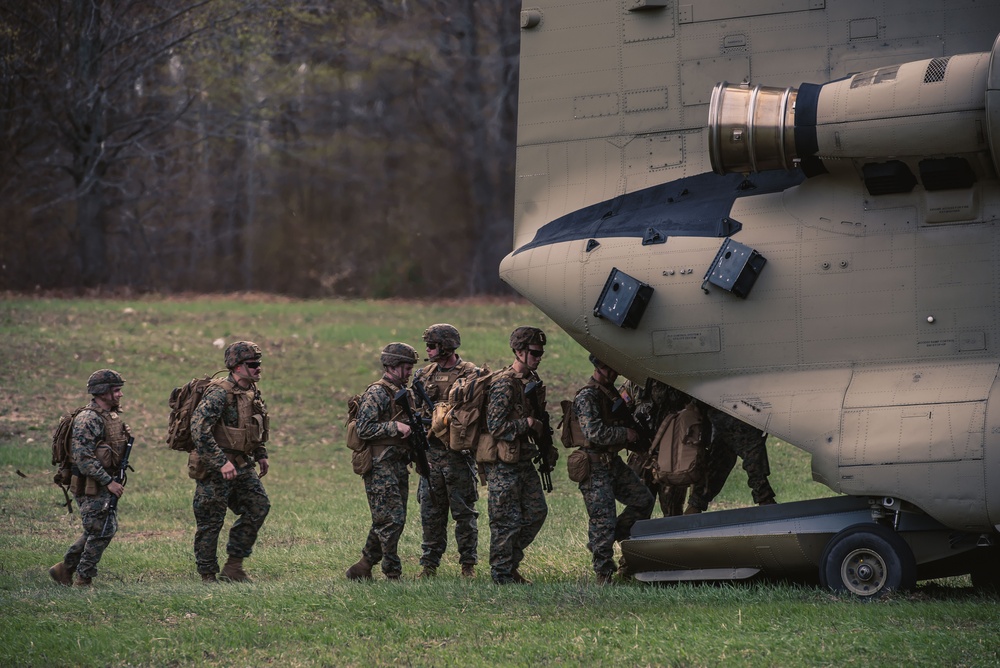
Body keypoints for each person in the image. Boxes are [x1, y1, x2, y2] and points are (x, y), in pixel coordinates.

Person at [191, 341, 272, 583]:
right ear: (237, 367)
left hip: (242, 465)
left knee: (259, 506)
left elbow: (252, 427)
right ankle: (207, 575)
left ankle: (233, 566)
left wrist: (261, 454)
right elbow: (199, 429)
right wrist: (220, 462)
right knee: (210, 521)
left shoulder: (251, 392)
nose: (258, 368)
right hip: (215, 468)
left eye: (259, 363)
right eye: (252, 364)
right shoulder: (219, 393)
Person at [572, 355, 654, 583]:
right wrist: (624, 435)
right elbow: (593, 432)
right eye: (609, 368)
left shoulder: (609, 393)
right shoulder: (588, 395)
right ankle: (603, 573)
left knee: (643, 500)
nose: (614, 373)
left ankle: (606, 539)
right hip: (594, 465)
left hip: (612, 463)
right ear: (599, 367)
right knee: (602, 518)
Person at [484, 326, 554, 585]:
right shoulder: (504, 384)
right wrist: (528, 424)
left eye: (540, 353)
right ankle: (501, 574)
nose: (538, 357)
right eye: (534, 352)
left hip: (523, 460)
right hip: (503, 463)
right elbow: (496, 427)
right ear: (519, 352)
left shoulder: (530, 382)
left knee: (537, 512)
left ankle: (509, 563)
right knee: (506, 521)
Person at [49, 369, 131, 587]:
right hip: (91, 485)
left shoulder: (108, 416)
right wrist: (109, 482)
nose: (120, 394)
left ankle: (64, 569)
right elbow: (83, 459)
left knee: (100, 528)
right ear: (102, 392)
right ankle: (83, 579)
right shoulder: (88, 419)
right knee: (101, 530)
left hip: (102, 482)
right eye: (116, 390)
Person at [346, 342, 419, 581]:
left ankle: (363, 566)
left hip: (398, 464)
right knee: (391, 519)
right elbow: (364, 429)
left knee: (389, 519)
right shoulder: (377, 392)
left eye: (410, 368)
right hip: (379, 464)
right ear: (392, 366)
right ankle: (392, 572)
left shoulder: (405, 393)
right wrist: (393, 426)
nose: (409, 373)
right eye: (406, 368)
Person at [412, 324, 480, 578]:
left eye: (432, 345)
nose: (427, 350)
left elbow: (475, 410)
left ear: (447, 346)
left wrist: (452, 420)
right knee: (431, 513)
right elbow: (414, 410)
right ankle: (429, 565)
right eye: (427, 345)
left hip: (458, 456)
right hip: (431, 455)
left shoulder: (470, 374)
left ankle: (468, 565)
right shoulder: (422, 375)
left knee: (464, 512)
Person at [623, 379, 705, 516]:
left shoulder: (681, 384)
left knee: (672, 513)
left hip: (673, 460)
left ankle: (674, 537)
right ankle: (626, 536)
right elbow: (621, 410)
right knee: (636, 510)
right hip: (643, 457)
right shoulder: (636, 382)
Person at [684, 407, 776, 514]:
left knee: (723, 454)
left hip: (727, 407)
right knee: (749, 446)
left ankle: (695, 505)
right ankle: (765, 498)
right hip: (729, 406)